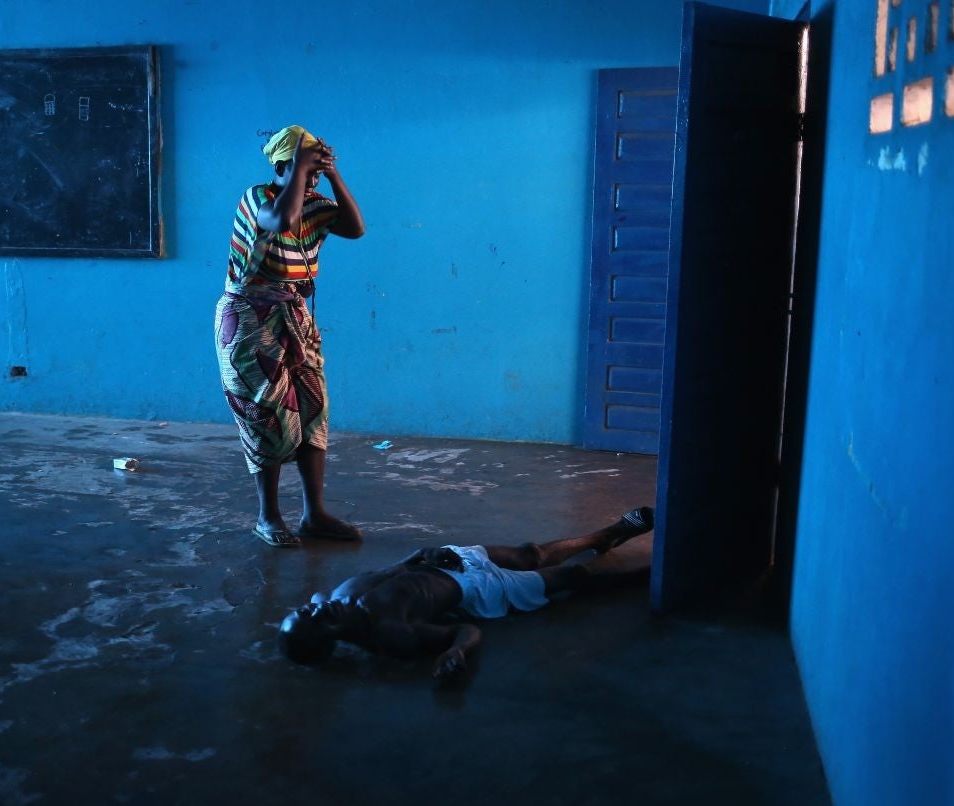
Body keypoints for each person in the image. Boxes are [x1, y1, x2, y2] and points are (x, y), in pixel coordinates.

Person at [278, 506, 655, 681]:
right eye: (320, 617)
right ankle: (648, 577)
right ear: (332, 638)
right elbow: (465, 632)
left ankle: (610, 532)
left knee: (531, 553)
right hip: (477, 590)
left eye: (308, 608)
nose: (320, 605)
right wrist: (457, 651)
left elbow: (395, 570)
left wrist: (421, 555)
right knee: (572, 578)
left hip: (446, 562)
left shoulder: (337, 596)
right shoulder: (390, 633)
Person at [215, 125, 365, 548]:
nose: (313, 174)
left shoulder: (315, 202)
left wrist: (334, 177)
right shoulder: (258, 198)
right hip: (249, 318)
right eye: (307, 165)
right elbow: (282, 220)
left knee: (313, 409)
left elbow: (355, 229)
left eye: (318, 167)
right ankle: (268, 517)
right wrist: (300, 166)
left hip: (294, 315)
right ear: (283, 165)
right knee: (264, 411)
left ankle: (314, 514)